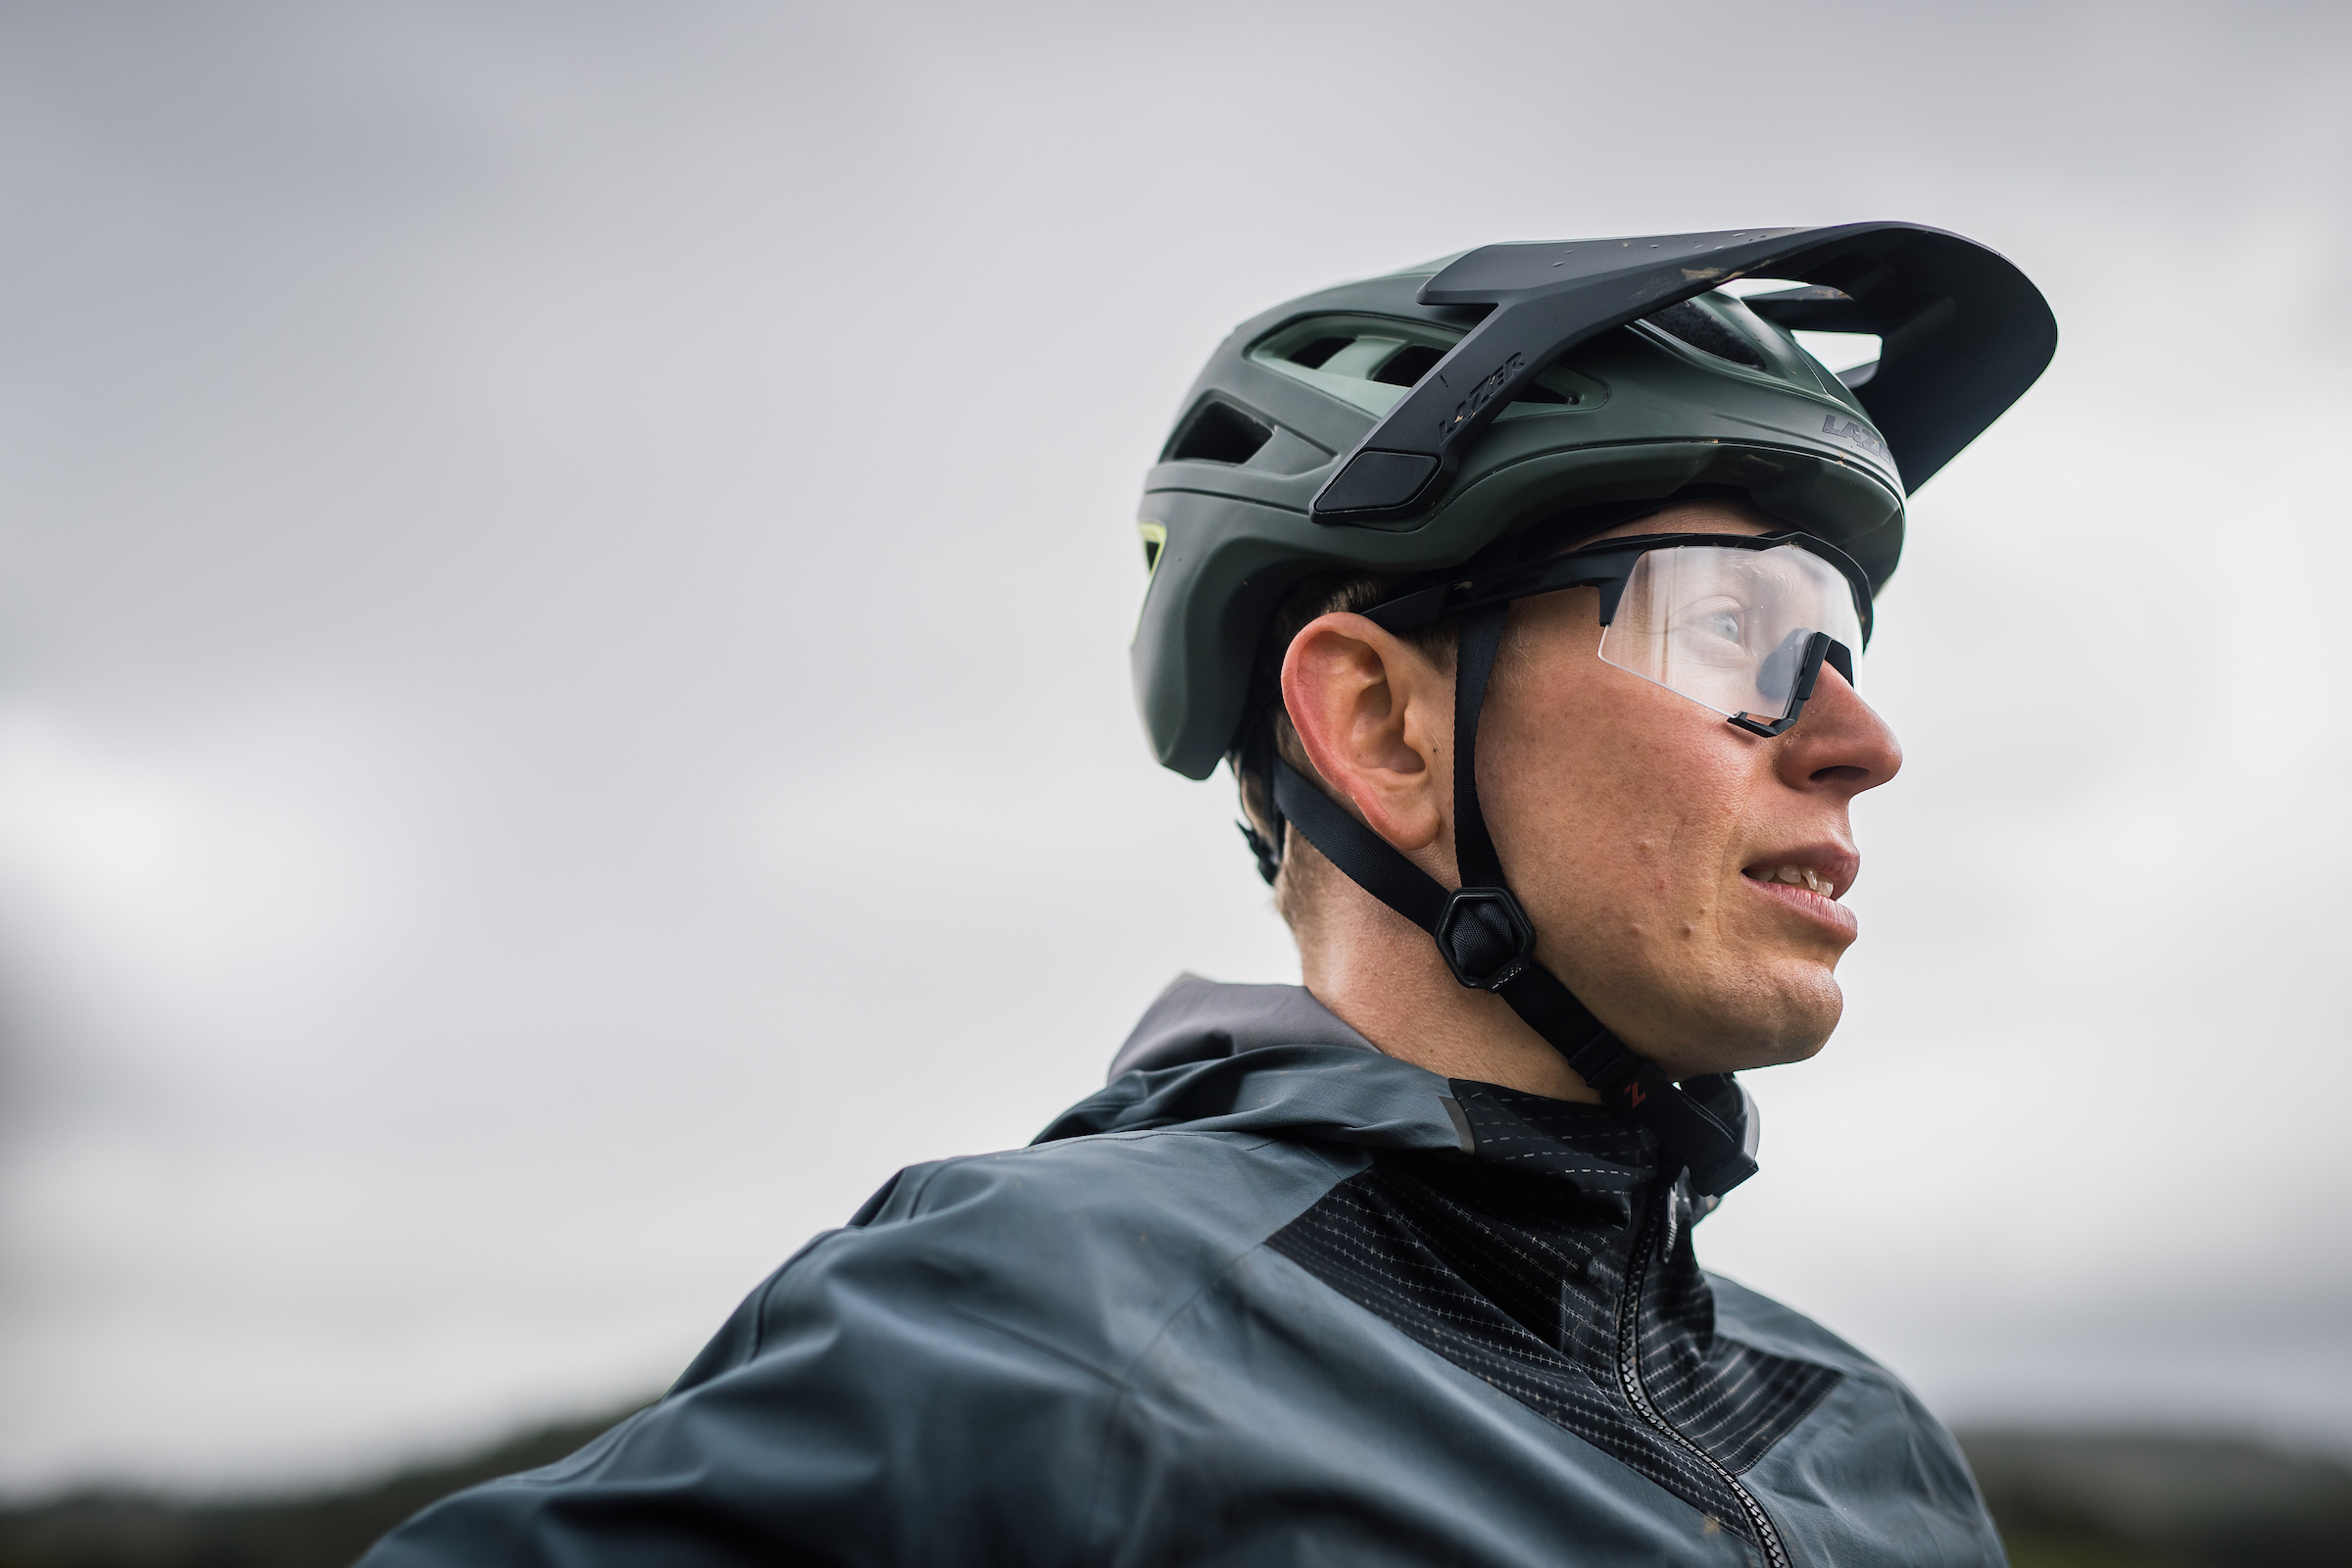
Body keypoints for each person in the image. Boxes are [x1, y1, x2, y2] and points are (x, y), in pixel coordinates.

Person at [360, 223, 2056, 1566]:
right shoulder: (1043, 1323)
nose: (1861, 740)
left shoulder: (1873, 1449)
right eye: (1733, 627)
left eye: (1842, 640)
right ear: (1382, 725)